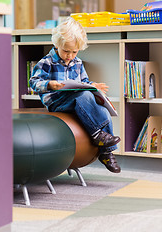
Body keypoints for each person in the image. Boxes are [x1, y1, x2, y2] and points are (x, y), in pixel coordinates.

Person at [29, 17, 121, 173]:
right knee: (83, 96)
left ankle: (107, 152)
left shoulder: (77, 63)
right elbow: (33, 82)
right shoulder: (47, 62)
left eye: (74, 52)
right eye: (66, 51)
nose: (69, 55)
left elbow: (83, 81)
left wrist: (92, 86)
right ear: (57, 44)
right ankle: (98, 134)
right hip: (57, 102)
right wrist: (49, 84)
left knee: (101, 108)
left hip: (76, 100)